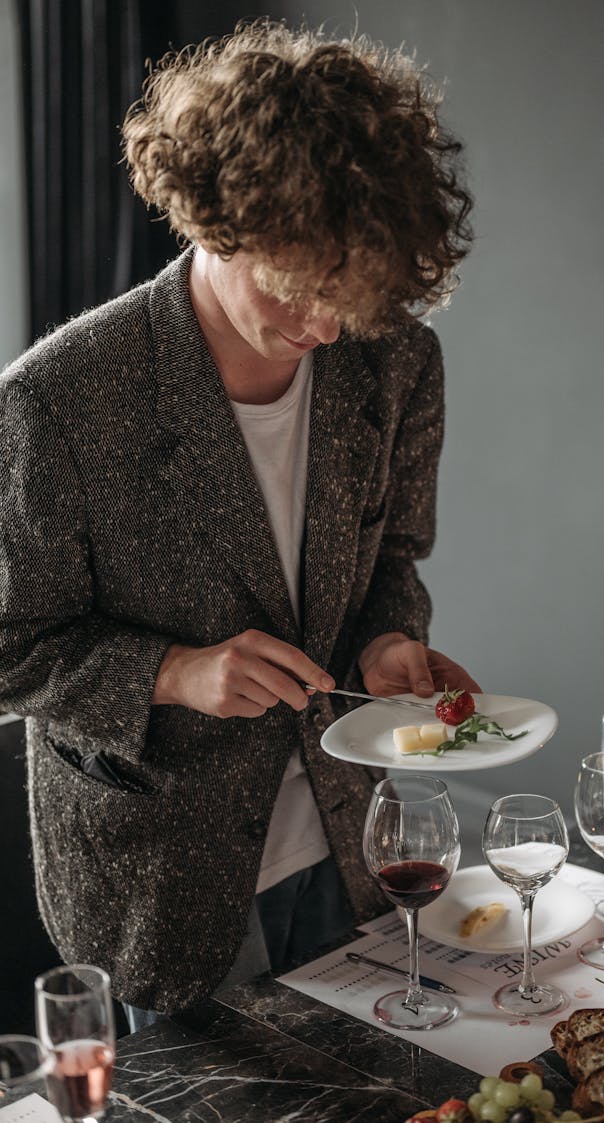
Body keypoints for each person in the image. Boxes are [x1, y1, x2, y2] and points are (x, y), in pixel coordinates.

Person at [0, 19, 477, 1029]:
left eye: (349, 293)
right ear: (215, 219)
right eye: (297, 288)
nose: (326, 326)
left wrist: (393, 638)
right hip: (160, 881)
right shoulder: (58, 401)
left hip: (355, 847)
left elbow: (394, 553)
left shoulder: (394, 359)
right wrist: (174, 672)